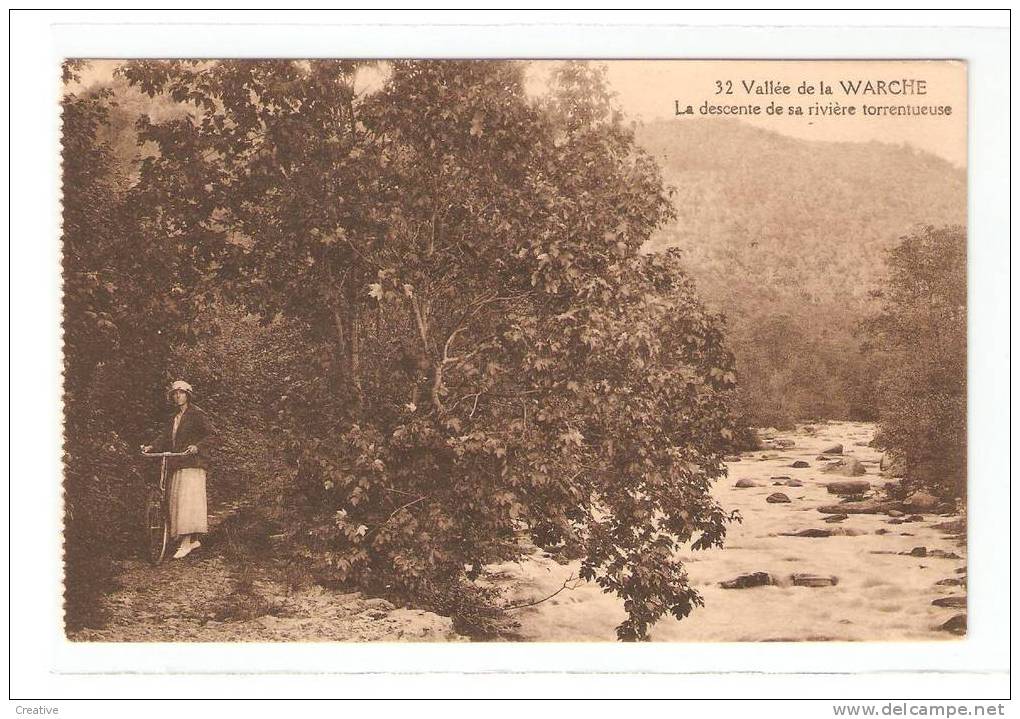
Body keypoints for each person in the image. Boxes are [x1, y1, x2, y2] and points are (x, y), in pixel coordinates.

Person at [142, 380, 212, 559]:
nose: (177, 396)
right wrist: (151, 447)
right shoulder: (174, 417)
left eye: (181, 392)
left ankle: (186, 543)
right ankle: (190, 539)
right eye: (175, 393)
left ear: (188, 394)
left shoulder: (197, 414)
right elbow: (165, 436)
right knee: (176, 501)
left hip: (193, 464)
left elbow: (211, 435)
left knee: (188, 502)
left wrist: (197, 447)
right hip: (177, 462)